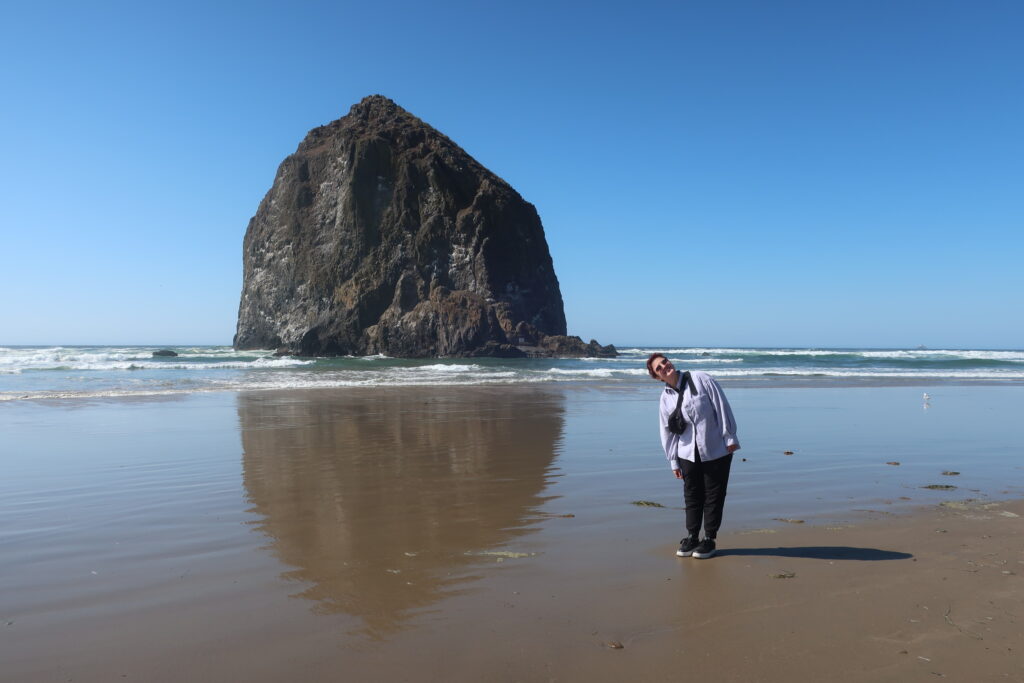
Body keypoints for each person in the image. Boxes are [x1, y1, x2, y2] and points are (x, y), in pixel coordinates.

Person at [646, 353, 740, 559]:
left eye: (665, 362)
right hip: (687, 453)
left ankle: (709, 539)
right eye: (659, 368)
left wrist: (730, 437)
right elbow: (667, 430)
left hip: (716, 448)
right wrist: (673, 460)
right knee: (692, 496)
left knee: (714, 495)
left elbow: (722, 407)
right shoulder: (665, 398)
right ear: (656, 376)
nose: (664, 367)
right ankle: (692, 536)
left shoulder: (701, 379)